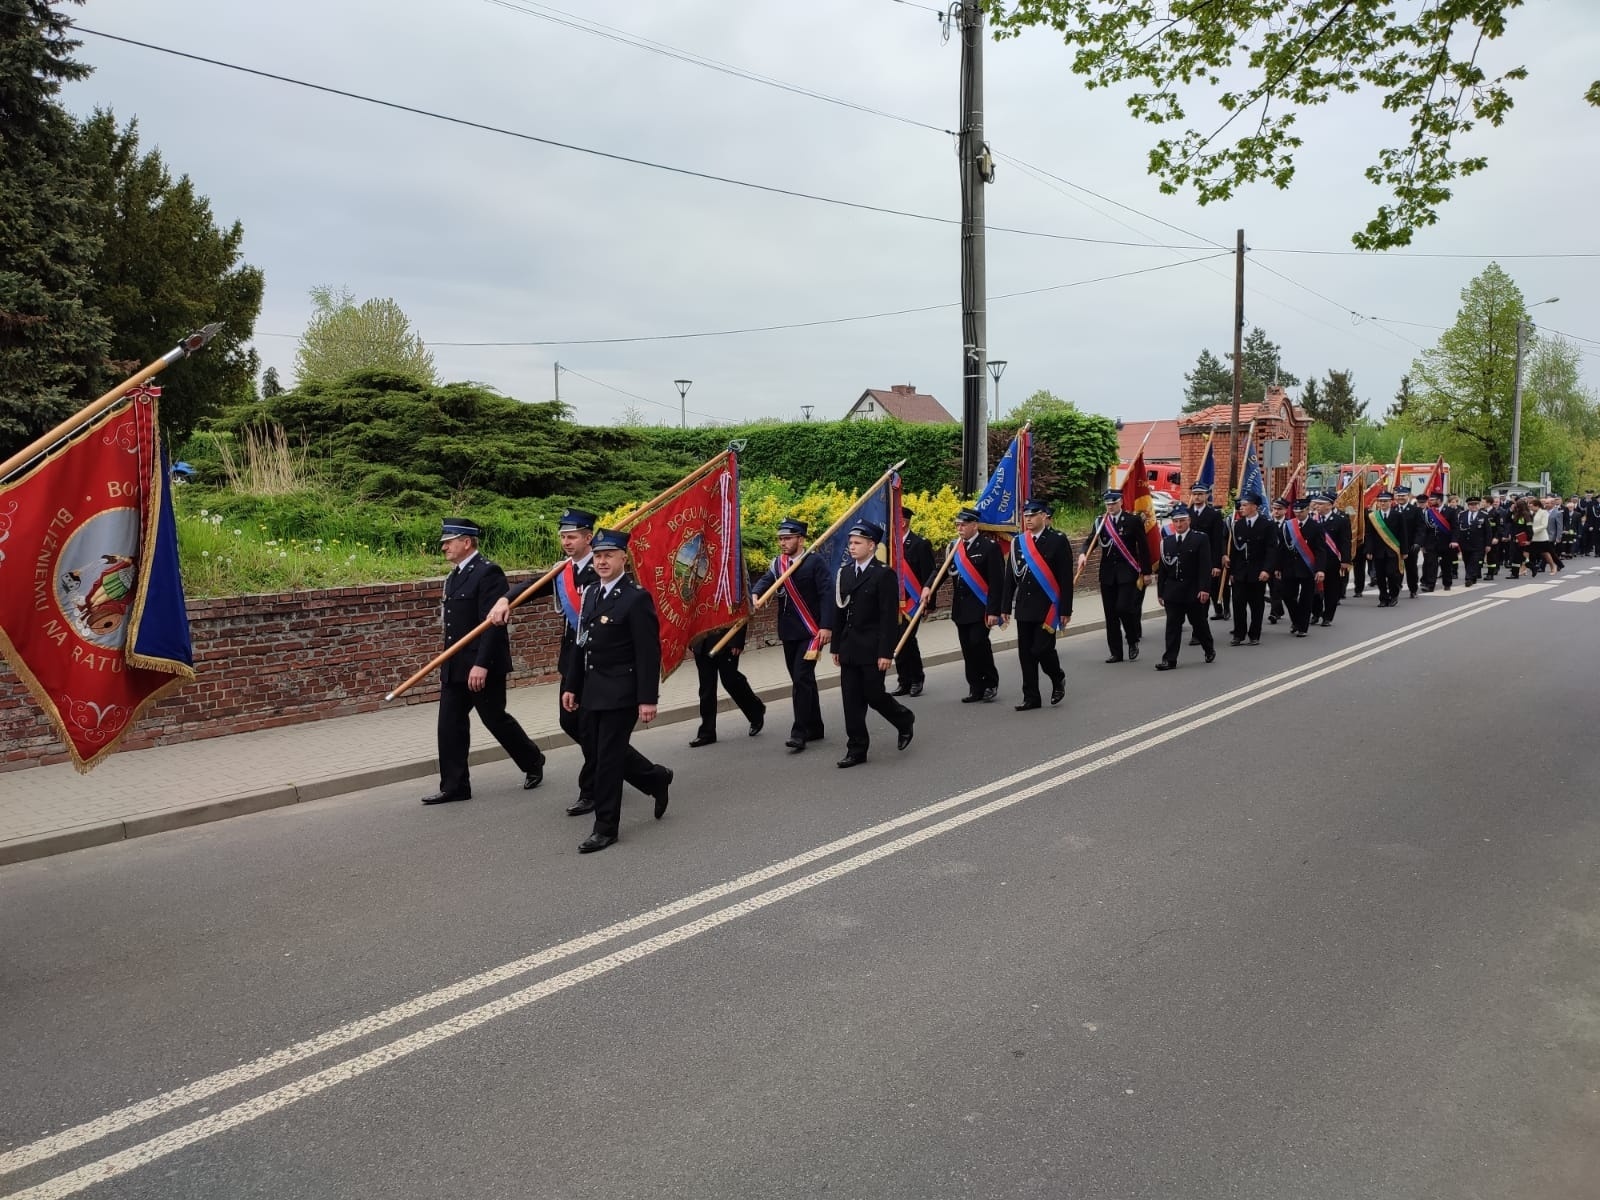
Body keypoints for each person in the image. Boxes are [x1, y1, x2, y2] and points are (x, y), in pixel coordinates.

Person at [559, 528, 674, 854]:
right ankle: (655, 778)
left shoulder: (635, 598)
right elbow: (581, 644)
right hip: (592, 689)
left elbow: (648, 652)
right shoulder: (591, 593)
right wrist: (572, 685)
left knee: (608, 760)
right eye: (598, 556)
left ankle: (605, 828)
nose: (602, 561)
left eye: (609, 555)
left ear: (624, 558)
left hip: (622, 691)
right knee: (598, 752)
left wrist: (647, 699)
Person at [422, 518, 546, 806]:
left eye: (448, 542)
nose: (444, 547)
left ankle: (532, 760)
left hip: (482, 664)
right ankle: (455, 786)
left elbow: (492, 624)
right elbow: (452, 627)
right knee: (449, 725)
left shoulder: (488, 572)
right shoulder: (453, 577)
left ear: (466, 542)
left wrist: (482, 665)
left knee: (494, 719)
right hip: (455, 664)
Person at [489, 507, 598, 813]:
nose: (566, 542)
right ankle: (621, 762)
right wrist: (505, 599)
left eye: (572, 537)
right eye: (563, 537)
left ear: (588, 537)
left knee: (591, 727)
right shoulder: (563, 572)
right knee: (570, 722)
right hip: (572, 661)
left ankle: (593, 789)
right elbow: (533, 586)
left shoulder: (602, 567)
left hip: (599, 661)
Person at [832, 519, 914, 767]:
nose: (852, 547)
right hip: (849, 646)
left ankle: (903, 719)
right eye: (850, 543)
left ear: (871, 546)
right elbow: (839, 612)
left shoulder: (883, 574)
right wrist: (835, 646)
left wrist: (886, 652)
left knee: (874, 695)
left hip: (872, 647)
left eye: (857, 543)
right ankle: (856, 748)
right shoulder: (845, 572)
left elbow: (889, 617)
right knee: (851, 700)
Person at [751, 518, 834, 753]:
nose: (783, 542)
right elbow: (766, 581)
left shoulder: (815, 562)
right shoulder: (778, 564)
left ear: (801, 539)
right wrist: (756, 593)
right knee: (803, 680)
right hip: (789, 631)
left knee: (801, 678)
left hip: (811, 632)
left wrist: (827, 626)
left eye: (787, 538)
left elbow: (827, 594)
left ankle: (800, 732)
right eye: (780, 538)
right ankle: (815, 726)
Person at [1006, 498, 1073, 710]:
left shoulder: (1057, 540)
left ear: (1044, 516)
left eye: (1033, 515)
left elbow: (1065, 578)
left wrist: (1065, 609)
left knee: (1042, 650)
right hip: (1025, 606)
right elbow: (1010, 577)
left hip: (1048, 608)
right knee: (1026, 655)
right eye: (1026, 516)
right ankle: (1031, 697)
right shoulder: (1018, 542)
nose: (1028, 519)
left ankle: (1057, 677)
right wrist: (1004, 607)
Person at [935, 506, 1004, 702]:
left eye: (963, 525)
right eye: (957, 525)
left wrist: (994, 611)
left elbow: (997, 582)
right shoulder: (954, 547)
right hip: (961, 609)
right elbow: (941, 572)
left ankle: (990, 683)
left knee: (978, 644)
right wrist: (928, 588)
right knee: (967, 648)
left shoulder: (989, 547)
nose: (960, 528)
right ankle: (975, 687)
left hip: (981, 608)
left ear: (975, 525)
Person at [1077, 488, 1150, 664]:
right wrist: (1083, 554)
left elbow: (1144, 547)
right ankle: (1116, 652)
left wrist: (1147, 572)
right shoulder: (1101, 522)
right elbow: (1090, 541)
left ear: (1121, 502)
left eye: (1113, 503)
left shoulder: (1133, 521)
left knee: (1124, 608)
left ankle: (1132, 639)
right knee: (1110, 614)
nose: (1110, 507)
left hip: (1127, 572)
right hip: (1108, 574)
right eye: (1107, 504)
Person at [1154, 504, 1215, 670]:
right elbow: (1163, 570)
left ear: (1189, 521)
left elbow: (1205, 566)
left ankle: (1208, 648)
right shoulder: (1167, 542)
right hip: (1173, 591)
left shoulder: (1200, 539)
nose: (1179, 524)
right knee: (1172, 626)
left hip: (1192, 589)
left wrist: (1204, 588)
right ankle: (1169, 660)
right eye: (1176, 521)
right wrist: (1160, 592)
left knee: (1199, 623)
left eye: (1182, 521)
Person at [687, 622, 765, 748]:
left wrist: (737, 641)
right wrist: (691, 639)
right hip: (702, 643)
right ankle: (707, 732)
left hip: (726, 640)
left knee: (730, 681)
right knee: (706, 688)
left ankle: (755, 711)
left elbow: (741, 612)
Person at [892, 506, 936, 697]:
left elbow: (930, 574)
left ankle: (917, 678)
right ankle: (904, 681)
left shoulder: (920, 544)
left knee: (907, 639)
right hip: (894, 603)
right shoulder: (889, 546)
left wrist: (928, 605)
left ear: (902, 522)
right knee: (896, 640)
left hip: (914, 603)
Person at [1224, 490, 1277, 646]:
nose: (1241, 508)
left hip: (1258, 571)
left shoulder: (1267, 525)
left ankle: (1254, 634)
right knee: (1238, 604)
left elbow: (1271, 549)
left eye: (1245, 505)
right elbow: (1234, 550)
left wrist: (1267, 570)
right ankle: (1238, 634)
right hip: (1240, 572)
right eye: (1241, 505)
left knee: (1256, 605)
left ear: (1255, 506)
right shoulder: (1238, 525)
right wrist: (1232, 571)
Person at [1276, 497, 1319, 637]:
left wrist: (1320, 569)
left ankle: (1302, 627)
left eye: (1301, 511)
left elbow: (1320, 550)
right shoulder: (1288, 526)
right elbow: (1281, 548)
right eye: (1296, 511)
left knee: (1306, 598)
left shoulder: (1315, 526)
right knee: (1287, 595)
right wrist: (1278, 567)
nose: (1298, 514)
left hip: (1307, 567)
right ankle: (1296, 620)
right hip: (1289, 566)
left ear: (1307, 510)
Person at [1186, 484, 1230, 620]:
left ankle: (1219, 609)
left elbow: (1217, 540)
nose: (1197, 497)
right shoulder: (1187, 513)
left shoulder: (1214, 515)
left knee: (1212, 587)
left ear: (1207, 495)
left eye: (1200, 494)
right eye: (1195, 494)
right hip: (1191, 558)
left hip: (1208, 557)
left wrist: (1216, 564)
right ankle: (1201, 617)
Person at [1311, 492, 1351, 626]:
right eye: (1317, 504)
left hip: (1332, 560)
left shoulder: (1341, 520)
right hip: (1315, 560)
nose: (1317, 506)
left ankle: (1328, 616)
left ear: (1329, 505)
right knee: (1314, 590)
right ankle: (1315, 613)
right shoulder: (1312, 519)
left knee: (1331, 590)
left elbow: (1345, 542)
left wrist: (1345, 560)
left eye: (1321, 504)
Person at [1365, 490, 1406, 606]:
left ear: (1391, 502)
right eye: (1381, 501)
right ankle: (1383, 598)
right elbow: (1369, 535)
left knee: (1392, 574)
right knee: (1380, 576)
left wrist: (1404, 551)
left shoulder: (1398, 515)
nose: (1383, 503)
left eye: (1385, 501)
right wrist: (1369, 550)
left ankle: (1394, 595)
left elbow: (1403, 534)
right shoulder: (1373, 517)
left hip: (1393, 550)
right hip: (1378, 551)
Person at [1395, 486, 1422, 597]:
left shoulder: (1416, 510)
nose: (1400, 498)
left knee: (1411, 569)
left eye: (1403, 495)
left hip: (1410, 545)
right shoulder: (1393, 509)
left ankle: (1413, 589)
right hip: (1395, 545)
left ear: (1408, 496)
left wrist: (1417, 543)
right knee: (1395, 569)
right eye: (1398, 496)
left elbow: (1420, 528)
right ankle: (1395, 589)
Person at [1457, 496, 1489, 585]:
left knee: (1474, 560)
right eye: (1471, 504)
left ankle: (1469, 578)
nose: (1473, 506)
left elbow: (1488, 531)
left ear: (1479, 505)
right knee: (1467, 560)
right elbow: (1458, 529)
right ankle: (1473, 576)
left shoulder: (1484, 515)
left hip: (1478, 544)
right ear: (1468, 505)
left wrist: (1488, 544)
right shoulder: (1462, 514)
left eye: (1475, 504)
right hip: (1465, 543)